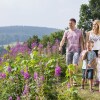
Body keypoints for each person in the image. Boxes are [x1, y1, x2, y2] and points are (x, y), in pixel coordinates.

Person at [59, 18, 84, 86]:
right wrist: (60, 46)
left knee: (75, 64)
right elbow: (63, 40)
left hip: (76, 50)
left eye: (71, 23)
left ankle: (74, 80)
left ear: (75, 23)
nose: (70, 24)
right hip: (69, 50)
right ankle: (71, 80)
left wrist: (82, 51)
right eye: (69, 23)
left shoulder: (79, 31)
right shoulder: (66, 32)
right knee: (69, 66)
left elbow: (81, 42)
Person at [86, 20, 100, 85]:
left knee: (98, 66)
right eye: (93, 24)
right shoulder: (89, 33)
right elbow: (86, 42)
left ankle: (97, 79)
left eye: (95, 24)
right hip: (91, 51)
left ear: (98, 25)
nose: (94, 25)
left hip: (98, 51)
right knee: (92, 66)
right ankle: (93, 80)